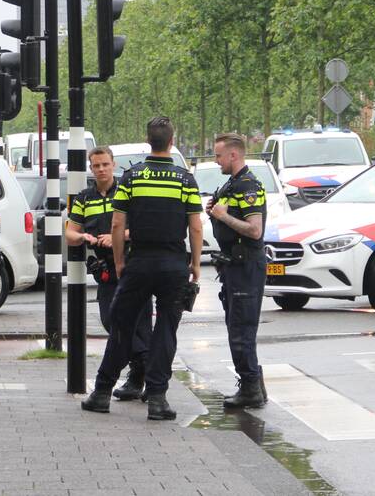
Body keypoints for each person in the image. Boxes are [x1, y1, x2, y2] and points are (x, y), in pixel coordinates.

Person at [81, 116, 202, 420]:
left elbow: (117, 223)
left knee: (122, 326)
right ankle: (157, 399)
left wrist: (120, 262)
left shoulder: (131, 178)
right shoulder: (185, 179)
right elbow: (196, 227)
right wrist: (196, 264)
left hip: (139, 262)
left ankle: (101, 393)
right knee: (166, 330)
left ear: (149, 141)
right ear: (172, 142)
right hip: (173, 264)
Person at [65, 146, 152, 401]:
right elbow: (70, 233)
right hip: (106, 270)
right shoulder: (84, 198)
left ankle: (140, 380)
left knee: (141, 325)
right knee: (110, 320)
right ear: (91, 168)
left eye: (105, 164)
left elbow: (144, 227)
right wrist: (83, 236)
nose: (101, 169)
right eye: (96, 165)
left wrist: (118, 236)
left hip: (133, 266)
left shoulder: (127, 191)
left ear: (113, 165)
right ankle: (146, 362)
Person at [207, 133, 268, 409]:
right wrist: (215, 212)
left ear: (233, 155)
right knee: (237, 327)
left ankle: (251, 388)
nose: (216, 160)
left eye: (218, 155)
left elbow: (255, 230)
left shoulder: (248, 186)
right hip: (234, 266)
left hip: (246, 266)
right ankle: (254, 384)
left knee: (242, 330)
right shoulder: (232, 184)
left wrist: (223, 216)